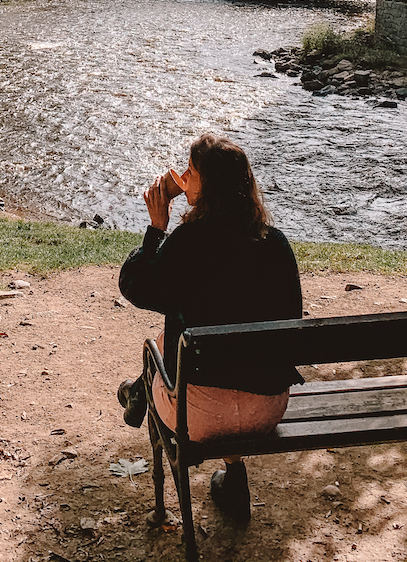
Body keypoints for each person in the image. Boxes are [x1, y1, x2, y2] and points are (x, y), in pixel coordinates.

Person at [117, 133, 304, 524]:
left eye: (191, 171)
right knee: (203, 347)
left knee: (168, 345)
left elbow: (136, 288)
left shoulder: (188, 242)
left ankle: (139, 394)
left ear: (208, 185)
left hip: (197, 414)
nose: (183, 177)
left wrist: (156, 228)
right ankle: (234, 480)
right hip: (267, 409)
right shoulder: (276, 244)